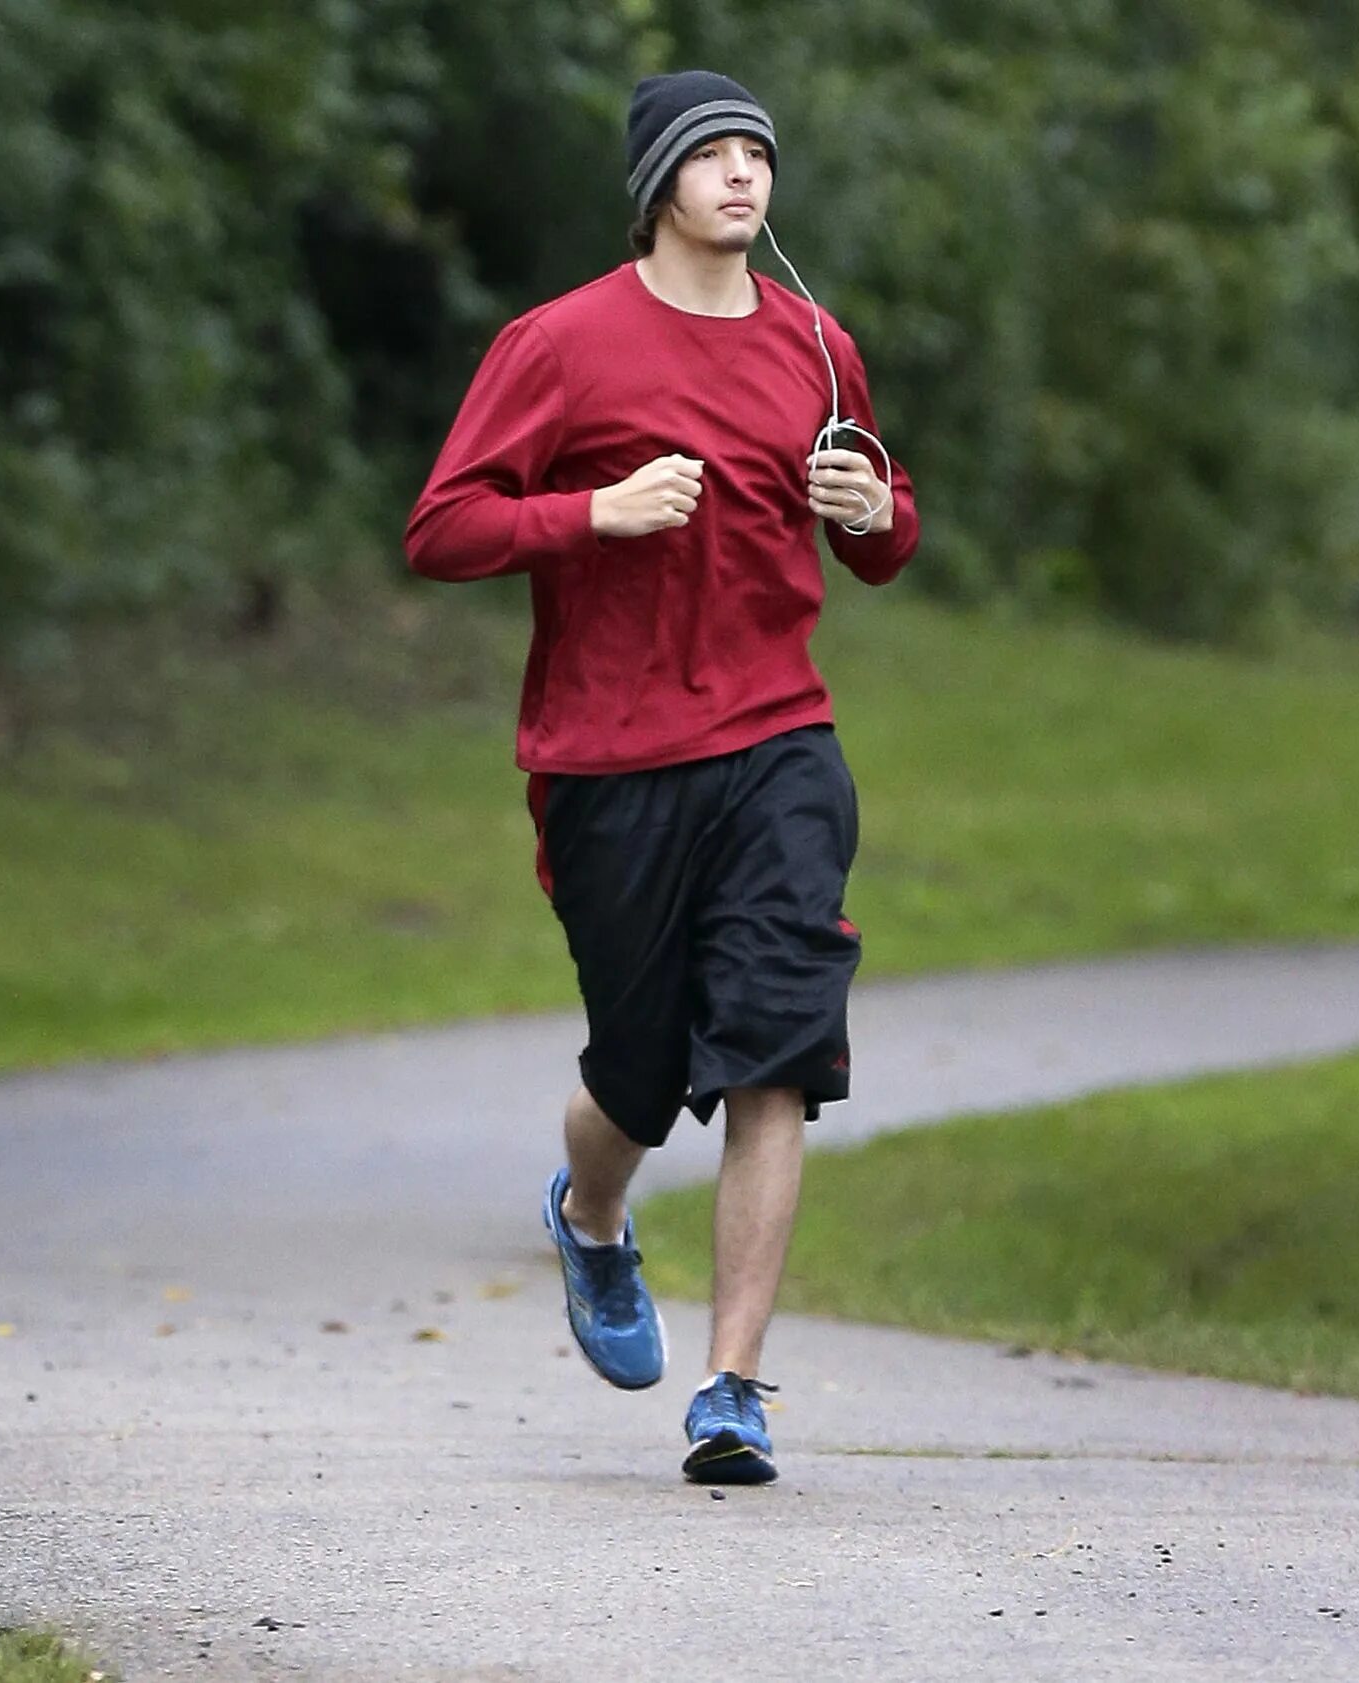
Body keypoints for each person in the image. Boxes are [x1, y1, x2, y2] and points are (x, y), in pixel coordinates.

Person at [403, 69, 919, 1485]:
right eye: (713, 155)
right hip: (610, 761)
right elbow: (443, 528)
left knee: (776, 1053)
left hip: (779, 743)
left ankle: (736, 1386)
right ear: (658, 186)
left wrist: (876, 508)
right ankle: (588, 1214)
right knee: (637, 1078)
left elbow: (881, 533)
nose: (744, 175)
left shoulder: (818, 346)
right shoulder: (559, 345)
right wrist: (593, 513)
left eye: (759, 152)